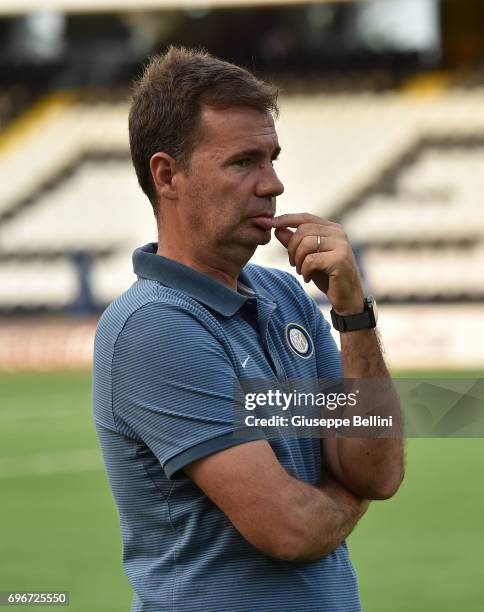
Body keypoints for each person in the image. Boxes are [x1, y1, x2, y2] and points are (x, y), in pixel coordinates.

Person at [93, 46, 404, 612]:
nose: (274, 184)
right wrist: (347, 497)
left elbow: (376, 470)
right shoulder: (154, 325)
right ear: (168, 176)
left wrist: (354, 313)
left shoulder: (285, 294)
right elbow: (291, 529)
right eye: (244, 162)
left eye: (273, 158)